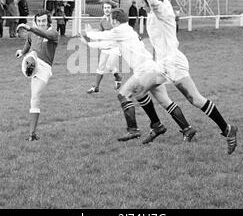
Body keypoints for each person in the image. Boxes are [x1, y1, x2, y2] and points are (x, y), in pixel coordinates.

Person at [127, 0, 237, 154]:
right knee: (151, 91)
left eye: (141, 0)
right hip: (164, 62)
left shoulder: (161, 10)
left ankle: (225, 128)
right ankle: (220, 129)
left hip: (171, 62)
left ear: (149, 0)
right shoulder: (157, 5)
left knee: (192, 99)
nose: (139, 2)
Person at [82, 9, 197, 144]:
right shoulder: (125, 32)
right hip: (151, 67)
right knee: (165, 101)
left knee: (123, 94)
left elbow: (106, 35)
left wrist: (88, 33)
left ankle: (134, 130)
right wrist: (88, 43)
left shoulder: (121, 30)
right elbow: (107, 44)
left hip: (144, 70)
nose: (111, 23)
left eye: (111, 20)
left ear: (115, 20)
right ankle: (185, 129)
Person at [15, 12, 59, 141]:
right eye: (39, 21)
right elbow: (29, 41)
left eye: (44, 21)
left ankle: (32, 134)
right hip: (33, 62)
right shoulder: (32, 33)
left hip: (44, 68)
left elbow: (44, 34)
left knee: (35, 97)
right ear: (36, 21)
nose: (41, 24)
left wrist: (31, 28)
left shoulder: (53, 34)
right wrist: (22, 52)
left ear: (48, 22)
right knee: (33, 99)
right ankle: (32, 135)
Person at [86, 0, 122, 93]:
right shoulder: (102, 20)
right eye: (105, 8)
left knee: (110, 67)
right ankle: (96, 87)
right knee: (101, 66)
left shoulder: (115, 19)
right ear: (103, 9)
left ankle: (118, 77)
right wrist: (91, 32)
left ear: (111, 9)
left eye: (108, 8)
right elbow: (100, 33)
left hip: (115, 47)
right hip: (105, 46)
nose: (106, 9)